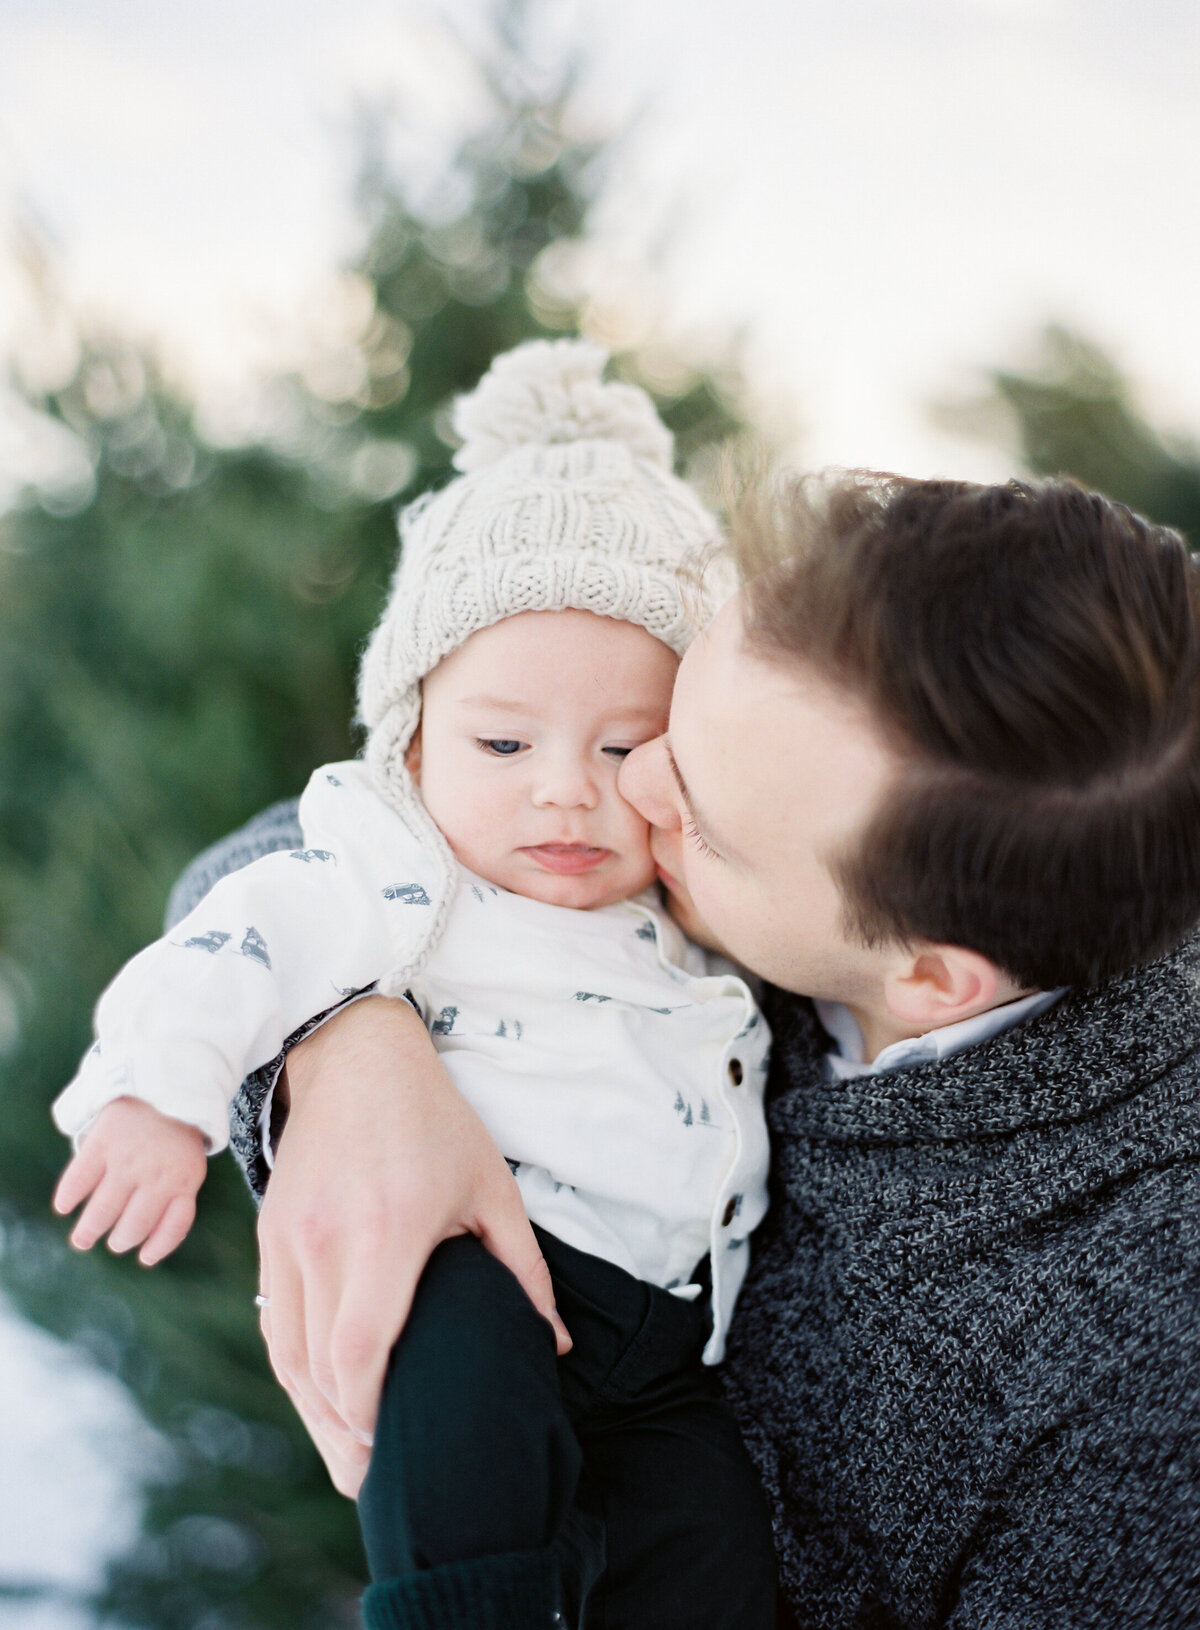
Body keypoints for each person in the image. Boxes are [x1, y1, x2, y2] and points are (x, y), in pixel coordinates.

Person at [210, 469, 1200, 1627]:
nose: (629, 784)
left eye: (702, 815)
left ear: (930, 976)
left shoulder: (1142, 1364)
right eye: (669, 716)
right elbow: (290, 845)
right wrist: (349, 1046)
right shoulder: (806, 828)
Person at [51, 339, 780, 1630]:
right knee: (457, 1452)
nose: (564, 786)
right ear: (412, 736)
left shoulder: (707, 904)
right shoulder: (391, 872)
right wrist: (160, 1096)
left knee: (712, 1539)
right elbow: (237, 938)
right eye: (503, 741)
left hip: (671, 1344)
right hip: (478, 1266)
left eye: (625, 746)